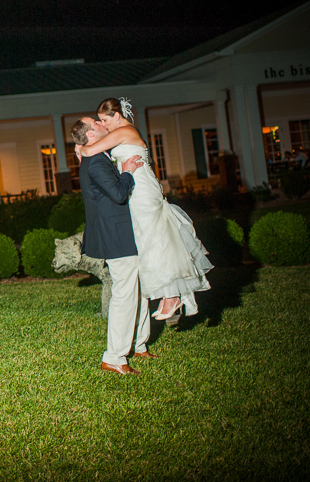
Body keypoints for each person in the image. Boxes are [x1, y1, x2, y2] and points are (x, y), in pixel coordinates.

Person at [77, 97, 212, 320]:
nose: (103, 124)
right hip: (136, 187)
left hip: (142, 189)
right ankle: (170, 296)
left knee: (155, 237)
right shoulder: (121, 133)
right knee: (151, 239)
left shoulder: (122, 131)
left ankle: (172, 296)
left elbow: (91, 152)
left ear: (116, 116)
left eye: (104, 119)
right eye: (99, 121)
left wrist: (80, 147)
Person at [71, 116, 152, 375]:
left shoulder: (95, 156)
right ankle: (114, 358)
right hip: (115, 236)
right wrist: (127, 171)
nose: (101, 122)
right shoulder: (94, 162)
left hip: (120, 233)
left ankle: (139, 345)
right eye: (96, 122)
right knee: (124, 295)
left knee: (137, 289)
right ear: (92, 134)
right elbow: (118, 194)